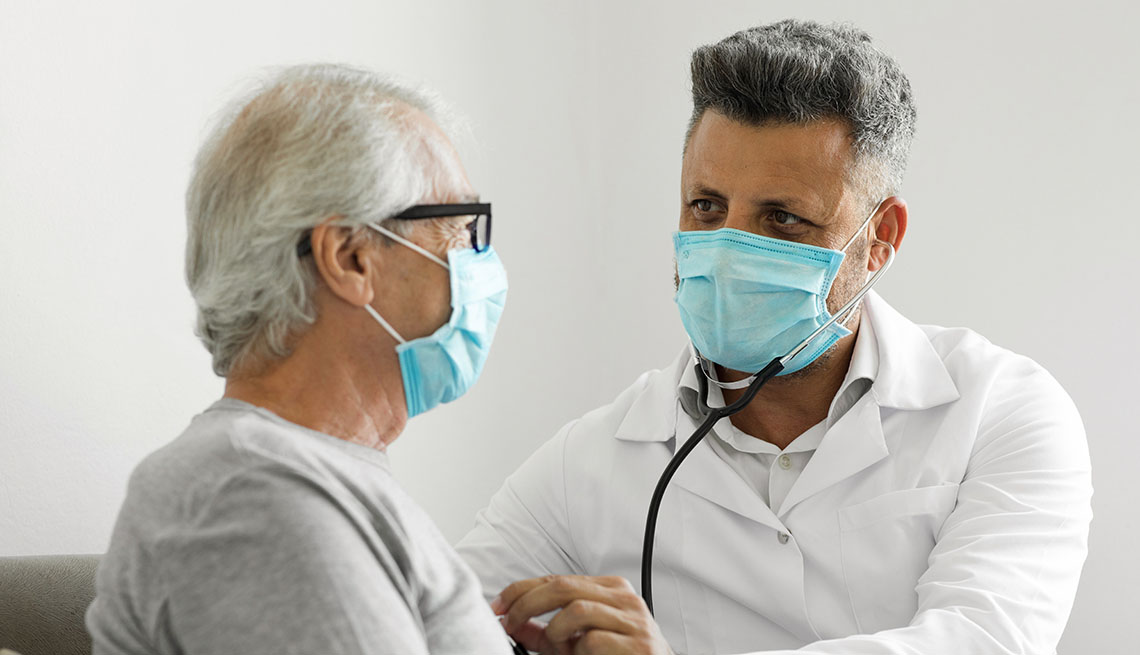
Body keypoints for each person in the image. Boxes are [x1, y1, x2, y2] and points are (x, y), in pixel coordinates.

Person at [457, 19, 1092, 655]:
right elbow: (433, 619)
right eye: (706, 206)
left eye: (783, 218)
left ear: (881, 240)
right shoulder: (588, 464)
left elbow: (981, 642)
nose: (729, 249)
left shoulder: (1001, 412)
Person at [87, 64, 514, 654]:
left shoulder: (318, 473)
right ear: (350, 258)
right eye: (459, 228)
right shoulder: (253, 492)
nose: (477, 259)